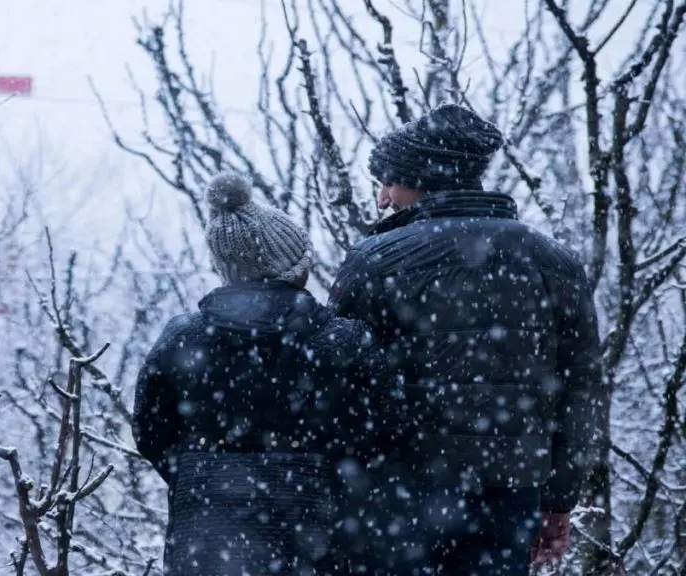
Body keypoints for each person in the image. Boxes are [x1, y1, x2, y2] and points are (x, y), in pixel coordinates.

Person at [328, 104, 609, 575]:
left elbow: (339, 383)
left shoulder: (375, 260)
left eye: (389, 182)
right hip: (511, 494)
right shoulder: (552, 260)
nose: (382, 199)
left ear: (421, 179)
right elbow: (580, 388)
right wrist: (559, 499)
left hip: (398, 494)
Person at [133, 171, 396, 575]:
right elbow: (384, 426)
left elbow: (151, 430)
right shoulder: (344, 341)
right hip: (319, 527)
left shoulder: (182, 339)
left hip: (206, 530)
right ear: (293, 269)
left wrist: (202, 473)